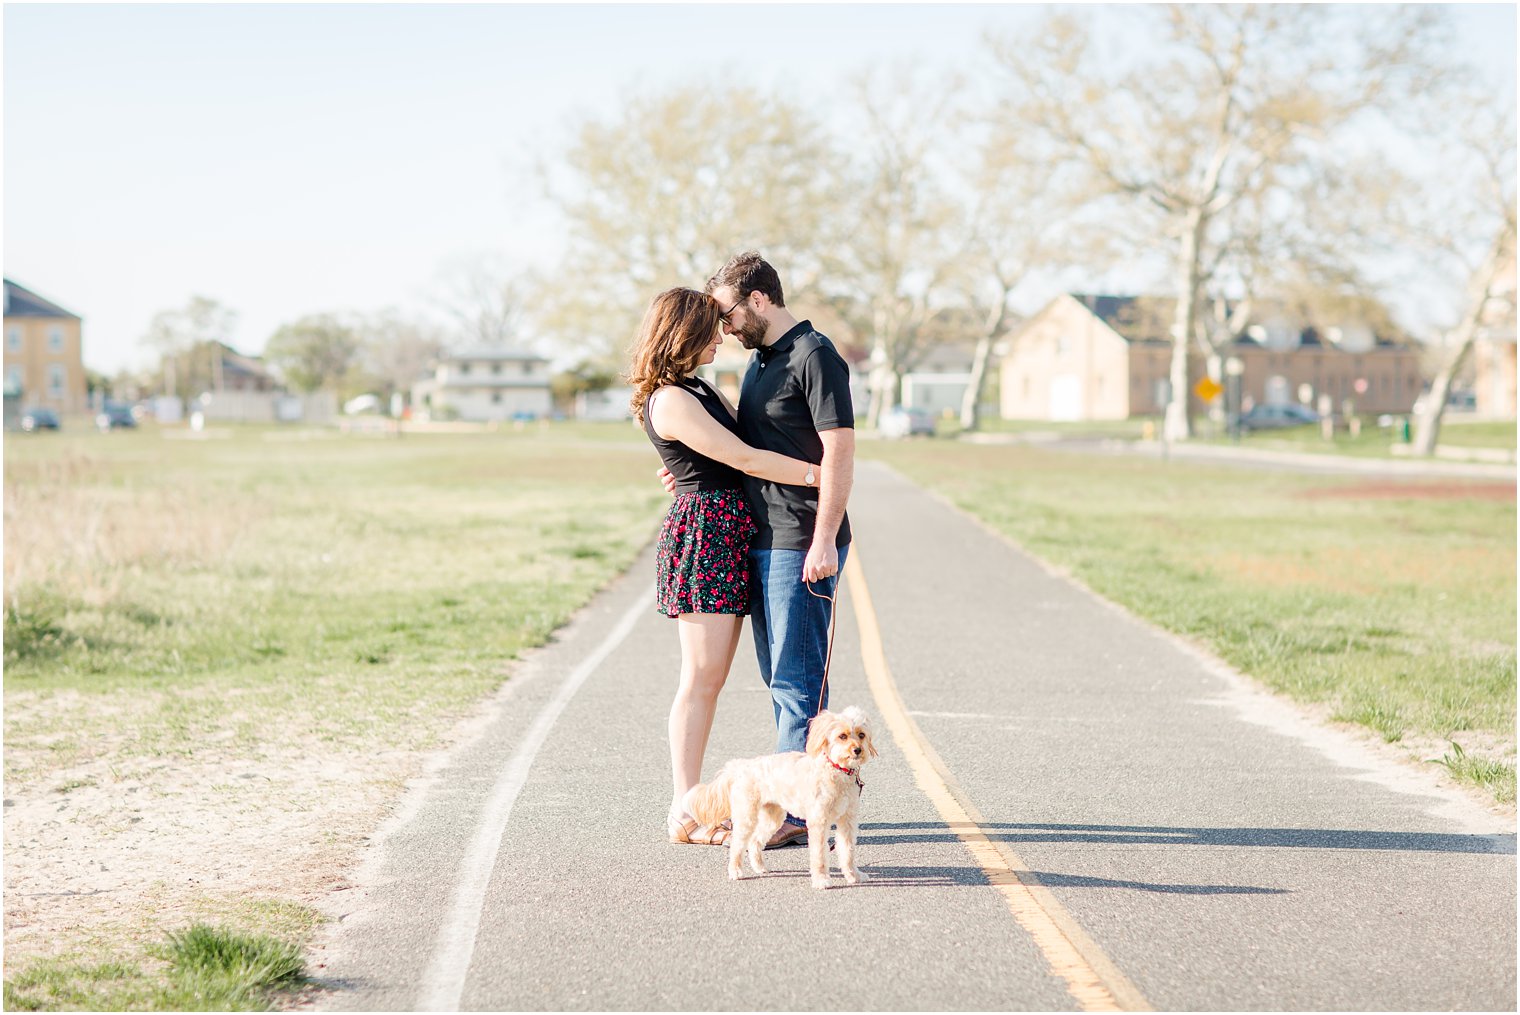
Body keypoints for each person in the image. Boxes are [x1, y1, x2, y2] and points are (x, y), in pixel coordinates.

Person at [663, 251, 855, 850]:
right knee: (780, 678)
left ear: (759, 300)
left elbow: (839, 453)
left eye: (725, 313)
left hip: (802, 538)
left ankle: (799, 813)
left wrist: (824, 536)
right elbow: (733, 446)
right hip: (761, 539)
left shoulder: (815, 356)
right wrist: (684, 473)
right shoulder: (762, 363)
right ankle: (809, 795)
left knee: (798, 681)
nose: (721, 328)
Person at [627, 287, 820, 846]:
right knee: (702, 679)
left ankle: (701, 807)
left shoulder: (695, 387)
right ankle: (685, 810)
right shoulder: (670, 398)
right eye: (710, 329)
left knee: (714, 678)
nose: (721, 337)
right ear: (684, 333)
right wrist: (821, 474)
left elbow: (722, 452)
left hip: (728, 529)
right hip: (706, 538)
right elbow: (742, 457)